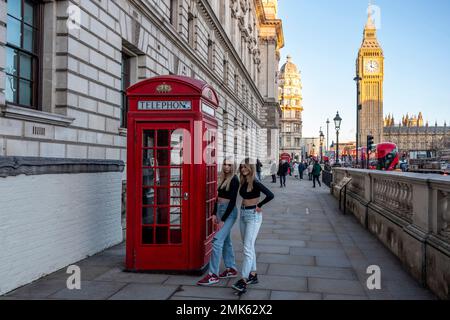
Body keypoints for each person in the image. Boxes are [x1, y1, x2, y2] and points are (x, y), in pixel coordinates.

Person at [232, 158, 274, 293]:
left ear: (250, 168)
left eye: (245, 167)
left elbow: (270, 195)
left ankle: (243, 280)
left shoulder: (255, 182)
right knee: (248, 246)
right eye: (241, 167)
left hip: (253, 216)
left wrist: (260, 205)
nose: (243, 169)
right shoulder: (243, 181)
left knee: (247, 248)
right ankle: (253, 275)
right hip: (243, 214)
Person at [197, 158, 239, 286]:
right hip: (220, 210)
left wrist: (223, 220)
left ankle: (213, 275)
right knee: (226, 241)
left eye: (229, 165)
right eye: (225, 164)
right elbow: (217, 197)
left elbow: (232, 202)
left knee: (217, 241)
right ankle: (231, 268)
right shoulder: (222, 178)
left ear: (233, 167)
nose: (226, 167)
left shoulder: (234, 179)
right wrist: (214, 213)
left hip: (229, 213)